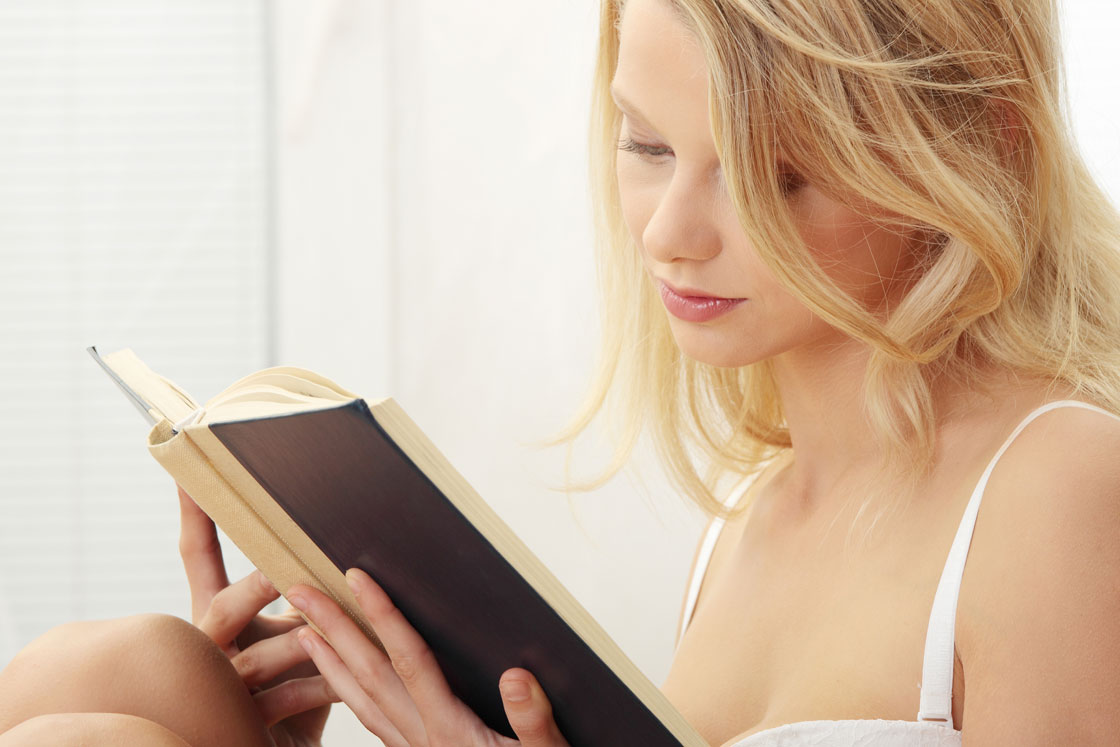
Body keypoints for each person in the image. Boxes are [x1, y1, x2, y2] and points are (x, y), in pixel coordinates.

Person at [2, 0, 1119, 744]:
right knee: (150, 683)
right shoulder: (746, 522)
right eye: (646, 146)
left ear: (983, 151)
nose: (671, 233)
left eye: (778, 175)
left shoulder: (1057, 484)